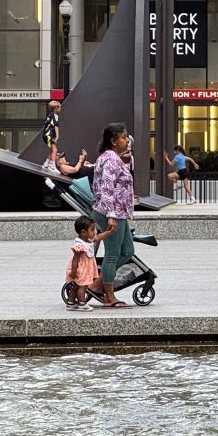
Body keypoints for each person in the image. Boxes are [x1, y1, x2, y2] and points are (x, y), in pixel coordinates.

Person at [91, 122, 136, 308]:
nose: (127, 140)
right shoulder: (110, 159)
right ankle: (108, 297)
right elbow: (106, 188)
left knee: (127, 252)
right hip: (112, 212)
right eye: (124, 137)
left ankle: (97, 284)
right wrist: (110, 214)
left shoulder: (112, 158)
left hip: (119, 212)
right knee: (112, 254)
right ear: (113, 141)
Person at [65, 214, 112, 311]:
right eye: (92, 229)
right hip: (81, 269)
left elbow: (98, 237)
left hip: (86, 268)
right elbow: (75, 259)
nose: (95, 231)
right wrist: (73, 271)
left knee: (76, 286)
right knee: (83, 287)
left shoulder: (88, 240)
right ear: (83, 232)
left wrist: (109, 232)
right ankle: (82, 303)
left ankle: (71, 302)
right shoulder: (79, 245)